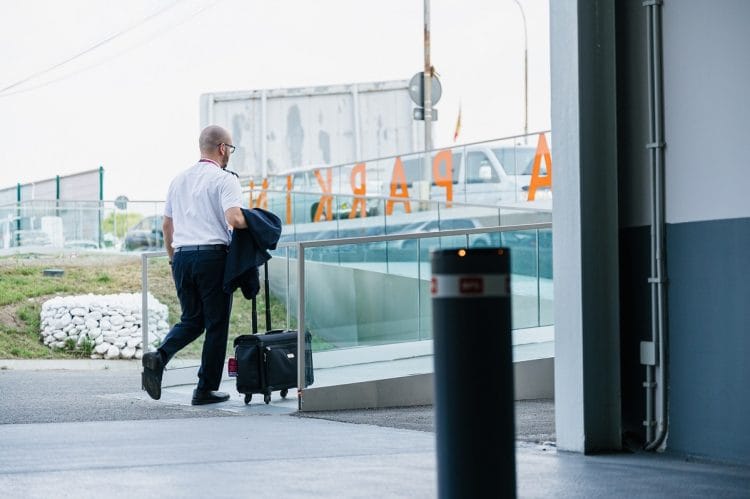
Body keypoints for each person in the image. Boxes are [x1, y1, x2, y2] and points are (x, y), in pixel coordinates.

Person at [142, 125, 247, 405]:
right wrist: (259, 223)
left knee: (192, 319)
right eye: (230, 149)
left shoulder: (178, 180)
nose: (230, 155)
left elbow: (167, 225)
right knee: (216, 324)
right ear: (223, 148)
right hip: (212, 257)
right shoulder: (224, 180)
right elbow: (235, 219)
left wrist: (173, 259)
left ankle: (159, 356)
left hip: (182, 257)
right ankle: (205, 390)